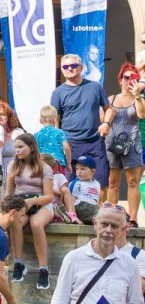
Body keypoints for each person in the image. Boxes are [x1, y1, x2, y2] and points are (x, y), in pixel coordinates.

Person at [52, 52, 113, 194]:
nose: (69, 68)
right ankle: (71, 209)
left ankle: (98, 209)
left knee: (101, 181)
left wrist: (106, 123)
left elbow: (108, 109)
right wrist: (59, 142)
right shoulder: (58, 93)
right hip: (70, 143)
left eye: (73, 65)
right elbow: (55, 119)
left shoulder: (95, 87)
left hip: (95, 141)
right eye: (65, 66)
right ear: (62, 69)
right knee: (68, 184)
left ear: (81, 67)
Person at [4, 132, 56, 289]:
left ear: (32, 147)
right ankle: (18, 263)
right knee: (15, 223)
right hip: (21, 204)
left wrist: (33, 201)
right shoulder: (13, 165)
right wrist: (6, 209)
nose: (17, 150)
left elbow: (49, 196)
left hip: (41, 203)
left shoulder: (44, 167)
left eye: (21, 147)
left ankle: (43, 269)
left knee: (36, 224)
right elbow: (9, 191)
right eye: (16, 147)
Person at [104, 63, 145, 220]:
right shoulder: (111, 99)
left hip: (132, 144)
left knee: (133, 181)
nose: (129, 81)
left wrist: (137, 95)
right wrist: (106, 116)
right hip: (112, 145)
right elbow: (102, 120)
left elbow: (141, 114)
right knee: (112, 182)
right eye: (126, 77)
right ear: (120, 79)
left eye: (133, 78)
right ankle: (112, 216)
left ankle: (133, 218)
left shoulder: (139, 99)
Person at [37, 105, 72, 175]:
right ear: (55, 119)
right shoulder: (59, 132)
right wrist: (69, 163)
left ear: (40, 120)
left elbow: (35, 151)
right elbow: (66, 148)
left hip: (42, 165)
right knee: (60, 181)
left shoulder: (37, 135)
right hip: (58, 164)